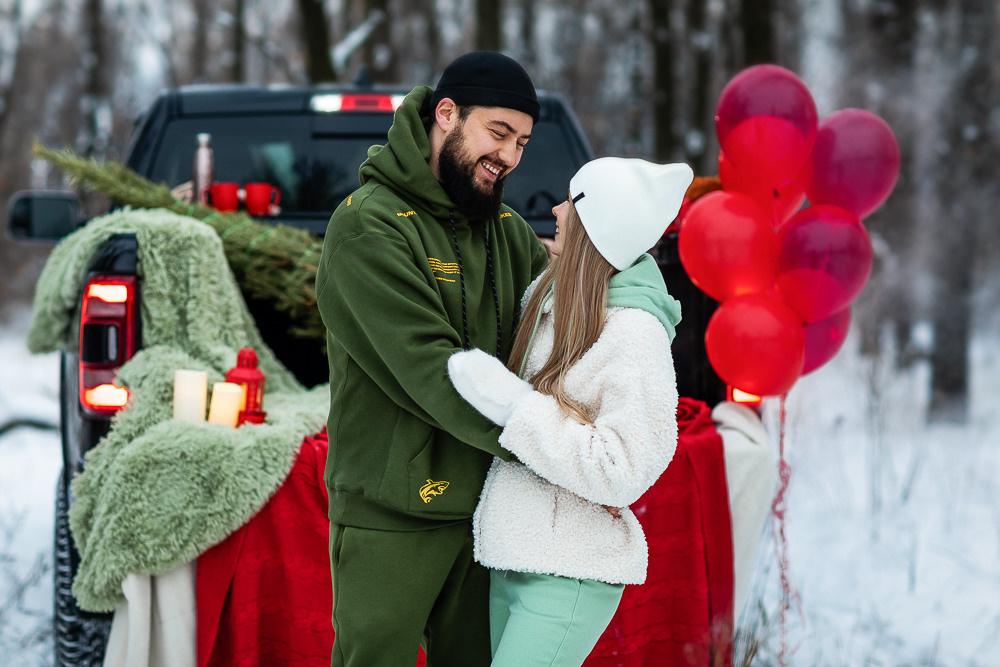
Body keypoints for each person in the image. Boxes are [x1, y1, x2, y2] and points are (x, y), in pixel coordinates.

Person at [314, 51, 551, 666]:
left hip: (493, 512)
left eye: (522, 142)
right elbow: (430, 368)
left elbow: (561, 331)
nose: (509, 156)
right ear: (446, 114)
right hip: (393, 511)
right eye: (498, 132)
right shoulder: (368, 227)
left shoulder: (506, 231)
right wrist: (554, 444)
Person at [447, 157, 694, 666]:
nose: (556, 210)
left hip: (568, 571)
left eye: (572, 202)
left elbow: (623, 468)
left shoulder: (635, 332)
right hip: (513, 553)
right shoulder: (548, 294)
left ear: (599, 224)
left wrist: (516, 407)